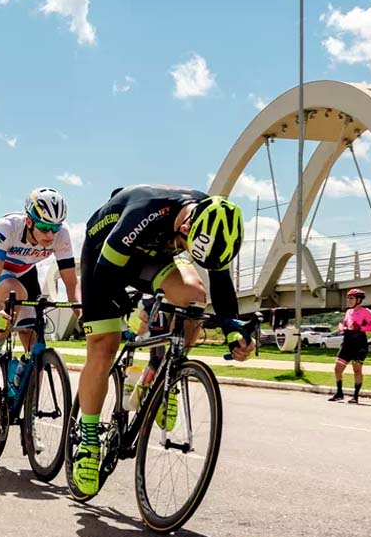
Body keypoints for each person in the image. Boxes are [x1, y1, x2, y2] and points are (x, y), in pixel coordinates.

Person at [71, 186, 254, 497]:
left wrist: (233, 330)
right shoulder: (147, 212)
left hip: (153, 256)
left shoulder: (211, 227)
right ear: (185, 227)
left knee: (195, 297)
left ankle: (157, 375)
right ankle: (88, 442)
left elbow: (221, 287)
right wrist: (127, 310)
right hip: (105, 258)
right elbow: (106, 275)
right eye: (187, 245)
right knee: (104, 346)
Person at [0, 188, 80, 401]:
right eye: (44, 227)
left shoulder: (61, 236)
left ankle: (29, 408)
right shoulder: (7, 227)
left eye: (55, 227)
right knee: (15, 292)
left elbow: (71, 282)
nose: (50, 235)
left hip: (25, 271)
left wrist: (81, 312)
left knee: (34, 341)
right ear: (29, 221)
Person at [329, 288, 371, 403]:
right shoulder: (348, 312)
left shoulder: (366, 312)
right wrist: (342, 328)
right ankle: (339, 393)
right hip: (347, 343)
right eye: (348, 298)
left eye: (351, 298)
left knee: (357, 370)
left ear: (359, 299)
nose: (349, 300)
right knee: (337, 369)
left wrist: (360, 328)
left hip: (359, 345)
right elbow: (346, 325)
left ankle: (355, 396)